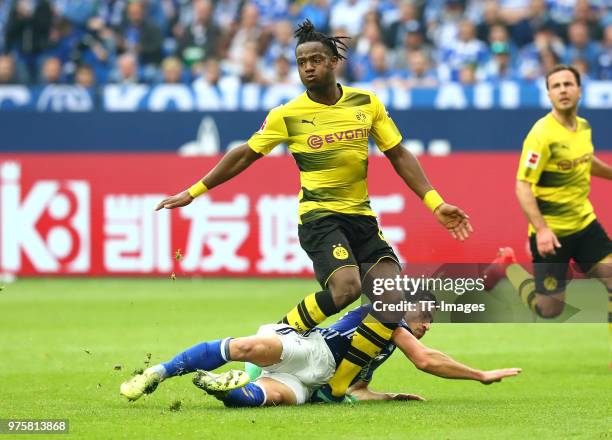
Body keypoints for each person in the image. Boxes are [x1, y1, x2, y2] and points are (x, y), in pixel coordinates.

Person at [155, 20, 473, 402]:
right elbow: (244, 154)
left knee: (391, 299)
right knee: (347, 289)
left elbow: (399, 154)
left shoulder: (366, 103)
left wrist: (435, 203)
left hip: (361, 218)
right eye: (301, 61)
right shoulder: (287, 115)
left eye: (316, 59)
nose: (308, 67)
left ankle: (341, 386)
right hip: (319, 218)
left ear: (334, 61)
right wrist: (194, 191)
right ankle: (280, 331)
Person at [120, 291, 521, 406]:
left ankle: (219, 384)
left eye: (430, 320)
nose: (425, 323)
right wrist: (480, 375)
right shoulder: (386, 318)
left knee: (257, 399)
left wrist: (388, 397)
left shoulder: (381, 350)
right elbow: (427, 360)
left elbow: (356, 391)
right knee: (243, 345)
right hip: (307, 350)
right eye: (423, 315)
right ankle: (158, 373)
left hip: (312, 384)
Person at [486, 65, 612, 364]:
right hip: (552, 233)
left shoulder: (582, 127)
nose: (563, 90)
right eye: (556, 86)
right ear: (549, 94)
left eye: (568, 84)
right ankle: (508, 268)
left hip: (585, 224)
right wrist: (541, 229)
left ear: (579, 90)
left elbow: (584, 160)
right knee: (549, 309)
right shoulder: (542, 134)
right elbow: (522, 185)